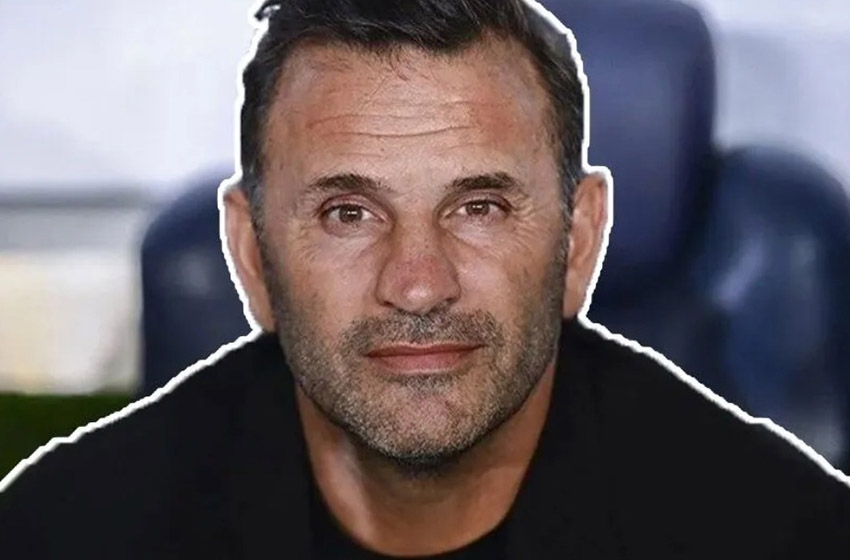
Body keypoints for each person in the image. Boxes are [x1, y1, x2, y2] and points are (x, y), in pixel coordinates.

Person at [1, 0, 848, 557]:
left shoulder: (780, 536)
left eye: (479, 207)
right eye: (348, 214)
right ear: (252, 254)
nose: (416, 285)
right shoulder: (66, 534)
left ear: (578, 240)